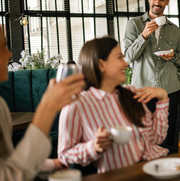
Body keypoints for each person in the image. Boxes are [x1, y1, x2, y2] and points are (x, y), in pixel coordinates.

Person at [0, 17, 85, 181]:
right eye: (3, 45)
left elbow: (9, 164)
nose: (9, 53)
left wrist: (54, 164)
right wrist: (47, 107)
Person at [58, 37, 169, 173]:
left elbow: (157, 138)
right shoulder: (77, 105)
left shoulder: (131, 93)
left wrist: (163, 98)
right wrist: (93, 147)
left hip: (157, 167)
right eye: (120, 57)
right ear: (101, 65)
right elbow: (64, 155)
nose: (126, 64)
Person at [123, 0, 180, 152]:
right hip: (143, 90)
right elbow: (128, 57)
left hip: (170, 89)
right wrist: (143, 35)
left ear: (167, 2)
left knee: (168, 136)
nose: (157, 3)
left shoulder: (175, 30)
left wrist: (173, 57)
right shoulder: (134, 24)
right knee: (144, 136)